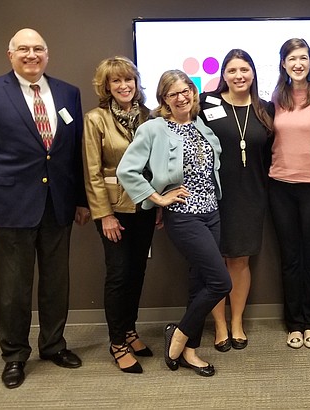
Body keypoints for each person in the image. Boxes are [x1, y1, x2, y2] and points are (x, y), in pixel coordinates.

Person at [0, 28, 89, 389]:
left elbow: (70, 153)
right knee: (13, 288)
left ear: (47, 55)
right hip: (9, 205)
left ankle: (53, 345)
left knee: (56, 283)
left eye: (38, 49)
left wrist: (80, 199)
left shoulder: (68, 92)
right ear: (11, 55)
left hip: (58, 204)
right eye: (23, 49)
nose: (31, 55)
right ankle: (15, 356)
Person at [117, 69, 232, 377]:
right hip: (183, 215)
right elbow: (127, 170)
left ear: (193, 93)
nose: (182, 97)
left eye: (186, 91)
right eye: (173, 94)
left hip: (212, 212)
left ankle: (189, 352)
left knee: (200, 283)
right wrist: (157, 197)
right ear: (163, 100)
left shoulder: (200, 125)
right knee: (221, 282)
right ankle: (178, 334)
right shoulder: (154, 128)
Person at [83, 56, 156, 373]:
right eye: (116, 81)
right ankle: (117, 343)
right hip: (115, 210)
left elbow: (158, 165)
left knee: (137, 271)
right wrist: (105, 215)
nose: (124, 86)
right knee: (118, 274)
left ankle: (130, 330)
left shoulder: (150, 117)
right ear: (106, 86)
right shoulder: (95, 119)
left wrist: (159, 202)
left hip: (145, 206)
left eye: (128, 80)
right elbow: (93, 172)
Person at [198, 49, 274, 352]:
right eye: (232, 70)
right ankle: (219, 324)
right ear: (223, 75)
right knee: (214, 261)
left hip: (251, 194)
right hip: (213, 193)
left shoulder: (265, 108)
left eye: (244, 69)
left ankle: (237, 321)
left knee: (240, 260)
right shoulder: (207, 103)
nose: (239, 76)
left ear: (253, 73)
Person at [269, 38, 310, 349]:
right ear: (283, 63)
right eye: (292, 58)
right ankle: (294, 324)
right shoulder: (276, 97)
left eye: (304, 58)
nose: (298, 63)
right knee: (289, 259)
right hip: (280, 186)